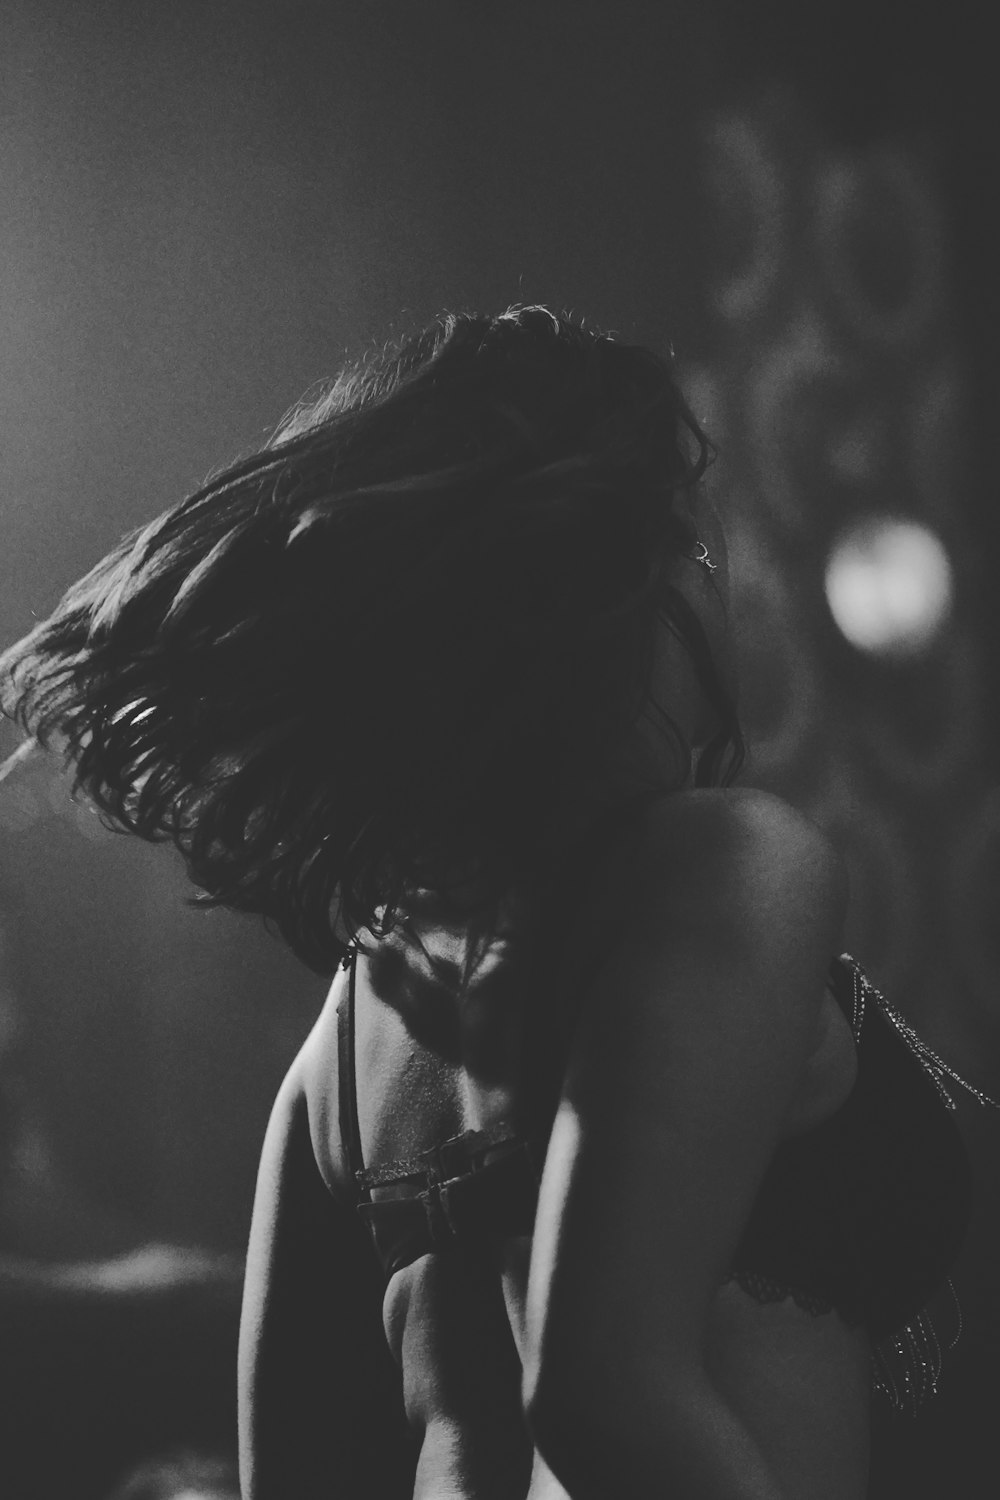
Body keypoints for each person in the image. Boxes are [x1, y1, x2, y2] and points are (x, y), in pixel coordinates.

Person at [0, 306, 992, 1499]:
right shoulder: (723, 864)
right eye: (701, 548)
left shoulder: (349, 1040)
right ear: (612, 599)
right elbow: (599, 1394)